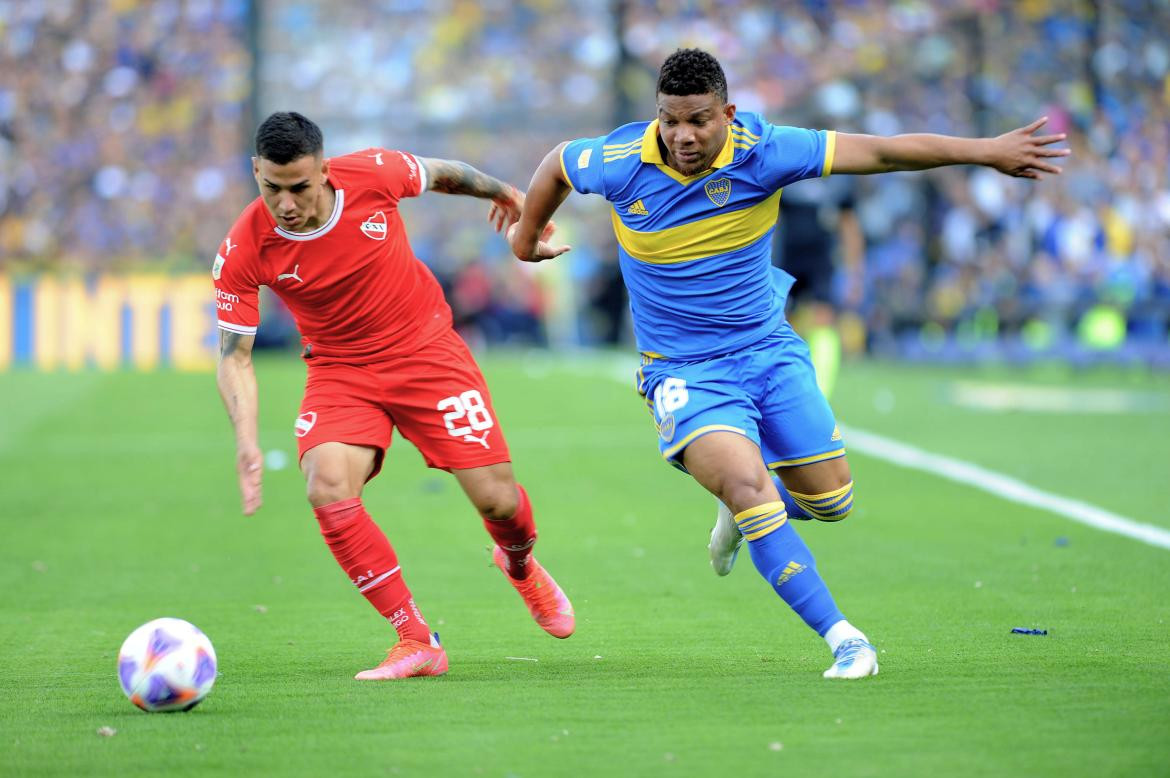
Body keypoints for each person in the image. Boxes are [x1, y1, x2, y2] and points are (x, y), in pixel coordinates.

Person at [507, 49, 1067, 679]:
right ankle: (845, 639)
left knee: (832, 502)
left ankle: (746, 512)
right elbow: (557, 162)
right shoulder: (616, 159)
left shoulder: (765, 150)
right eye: (669, 120)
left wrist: (984, 151)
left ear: (728, 113)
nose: (682, 136)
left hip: (768, 351)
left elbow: (880, 153)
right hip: (684, 371)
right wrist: (528, 239)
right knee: (750, 490)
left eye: (697, 120)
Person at [214, 112, 574, 681]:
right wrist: (245, 440)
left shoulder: (373, 173)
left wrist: (512, 195)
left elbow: (446, 173)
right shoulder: (243, 247)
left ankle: (521, 564)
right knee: (327, 483)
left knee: (499, 502)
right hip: (340, 371)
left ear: (325, 170)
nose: (285, 204)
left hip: (426, 352)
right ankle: (415, 638)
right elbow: (234, 357)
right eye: (271, 187)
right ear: (256, 171)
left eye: (299, 187)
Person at [773, 167, 864, 399]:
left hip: (821, 262)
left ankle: (820, 393)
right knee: (781, 322)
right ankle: (782, 387)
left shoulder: (838, 181)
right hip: (787, 258)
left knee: (823, 320)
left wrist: (855, 274)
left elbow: (849, 225)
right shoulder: (786, 172)